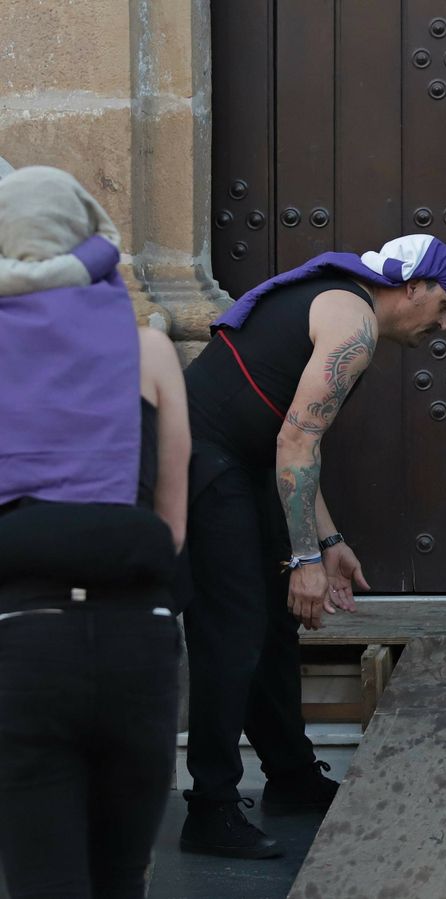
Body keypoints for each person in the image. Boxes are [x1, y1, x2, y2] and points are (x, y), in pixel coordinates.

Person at [179, 234, 446, 858]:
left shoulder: (344, 306)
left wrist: (328, 540)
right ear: (412, 286)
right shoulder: (352, 321)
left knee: (271, 626)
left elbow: (292, 443)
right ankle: (209, 809)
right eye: (443, 304)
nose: (443, 324)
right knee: (232, 629)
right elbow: (297, 444)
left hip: (242, 462)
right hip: (202, 460)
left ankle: (291, 777)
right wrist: (304, 557)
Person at [0, 165, 189, 897]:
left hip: (23, 638)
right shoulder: (150, 351)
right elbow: (173, 527)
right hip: (138, 640)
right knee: (121, 882)